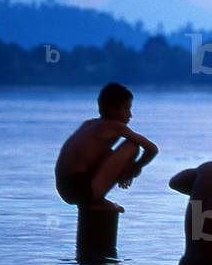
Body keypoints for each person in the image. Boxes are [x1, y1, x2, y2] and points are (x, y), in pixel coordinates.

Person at [54, 82, 158, 212]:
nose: (130, 115)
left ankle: (94, 199)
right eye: (127, 108)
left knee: (108, 153)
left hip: (65, 190)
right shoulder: (115, 126)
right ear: (111, 109)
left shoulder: (88, 124)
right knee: (132, 146)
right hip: (81, 189)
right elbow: (152, 149)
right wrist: (135, 167)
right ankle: (96, 200)